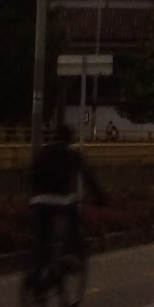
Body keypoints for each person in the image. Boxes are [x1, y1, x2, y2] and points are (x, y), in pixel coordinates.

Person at [27, 122, 104, 295]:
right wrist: (100, 198)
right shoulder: (72, 154)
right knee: (74, 218)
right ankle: (70, 253)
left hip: (38, 200)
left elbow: (30, 175)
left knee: (41, 240)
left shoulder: (42, 153)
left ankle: (35, 274)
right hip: (61, 200)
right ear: (70, 139)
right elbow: (88, 176)